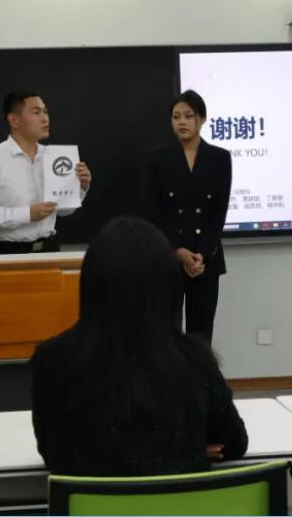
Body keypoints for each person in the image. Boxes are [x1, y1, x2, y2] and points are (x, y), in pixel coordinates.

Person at [29, 215, 247, 476]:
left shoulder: (52, 360)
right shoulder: (195, 359)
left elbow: (53, 452)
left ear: (90, 283)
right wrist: (190, 451)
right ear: (168, 285)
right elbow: (233, 442)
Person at [141, 90, 232, 343]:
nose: (181, 122)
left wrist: (201, 255)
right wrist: (177, 250)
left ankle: (199, 375)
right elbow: (152, 210)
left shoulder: (220, 158)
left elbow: (219, 213)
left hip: (205, 260)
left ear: (201, 119)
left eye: (188, 116)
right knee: (165, 334)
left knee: (200, 336)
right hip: (167, 257)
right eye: (176, 116)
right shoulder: (156, 159)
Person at [0, 89, 92, 255]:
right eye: (36, 112)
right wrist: (27, 214)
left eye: (45, 111)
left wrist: (80, 187)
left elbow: (63, 210)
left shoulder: (54, 157)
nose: (45, 118)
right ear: (14, 120)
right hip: (7, 253)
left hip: (49, 250)